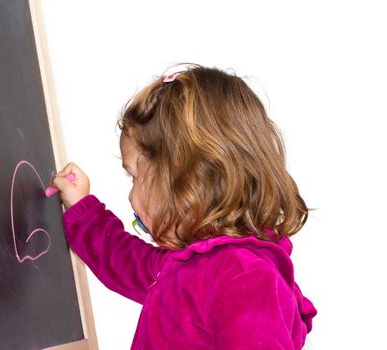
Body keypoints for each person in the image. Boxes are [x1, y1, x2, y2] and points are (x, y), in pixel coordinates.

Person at [51, 64, 317, 349]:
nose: (131, 196)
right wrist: (82, 208)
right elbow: (126, 261)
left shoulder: (244, 278)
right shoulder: (187, 264)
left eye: (136, 176)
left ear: (186, 181)